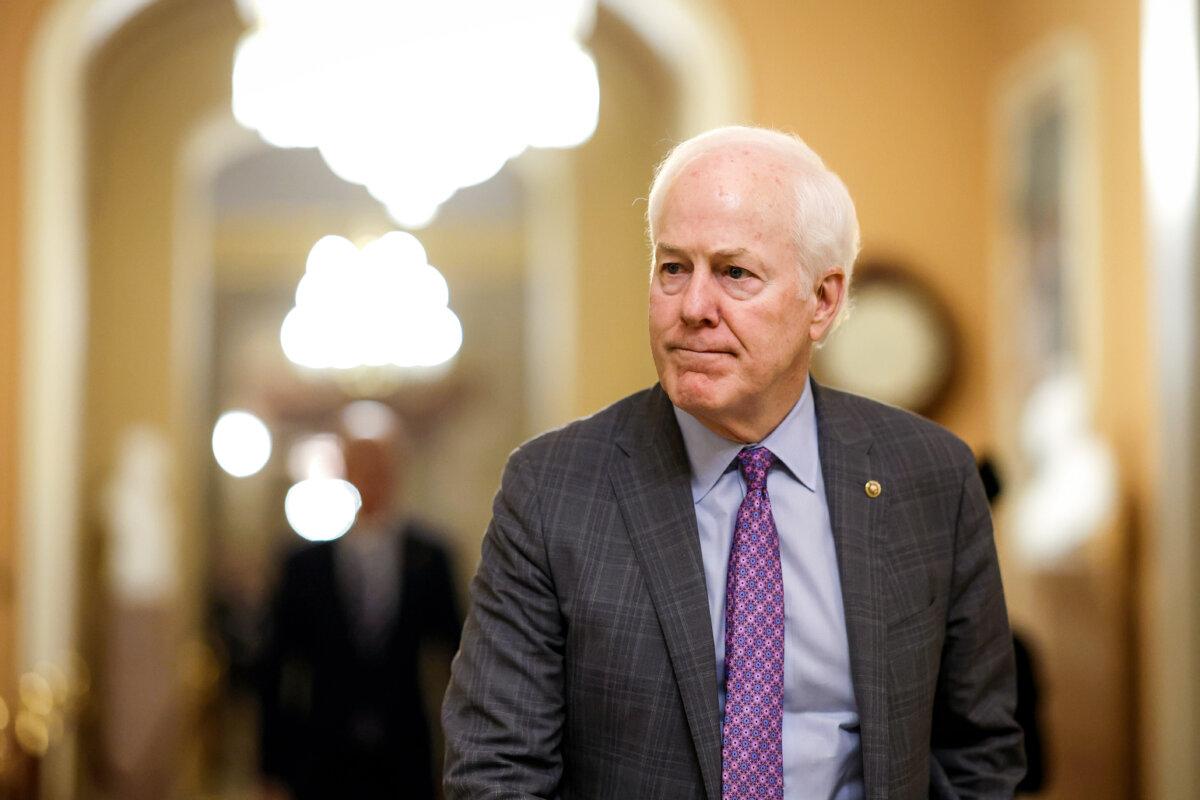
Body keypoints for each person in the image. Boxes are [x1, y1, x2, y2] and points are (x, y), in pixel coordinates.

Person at [442, 126, 1024, 799]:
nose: (693, 308)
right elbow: (496, 772)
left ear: (824, 300)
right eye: (673, 268)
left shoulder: (931, 477)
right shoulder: (552, 488)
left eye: (734, 273)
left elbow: (979, 751)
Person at [260, 411, 462, 800]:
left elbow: (457, 658)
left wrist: (459, 757)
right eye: (362, 463)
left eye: (381, 463)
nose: (372, 475)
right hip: (322, 754)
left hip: (405, 753)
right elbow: (278, 666)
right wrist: (271, 765)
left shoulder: (431, 557)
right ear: (345, 469)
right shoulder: (303, 565)